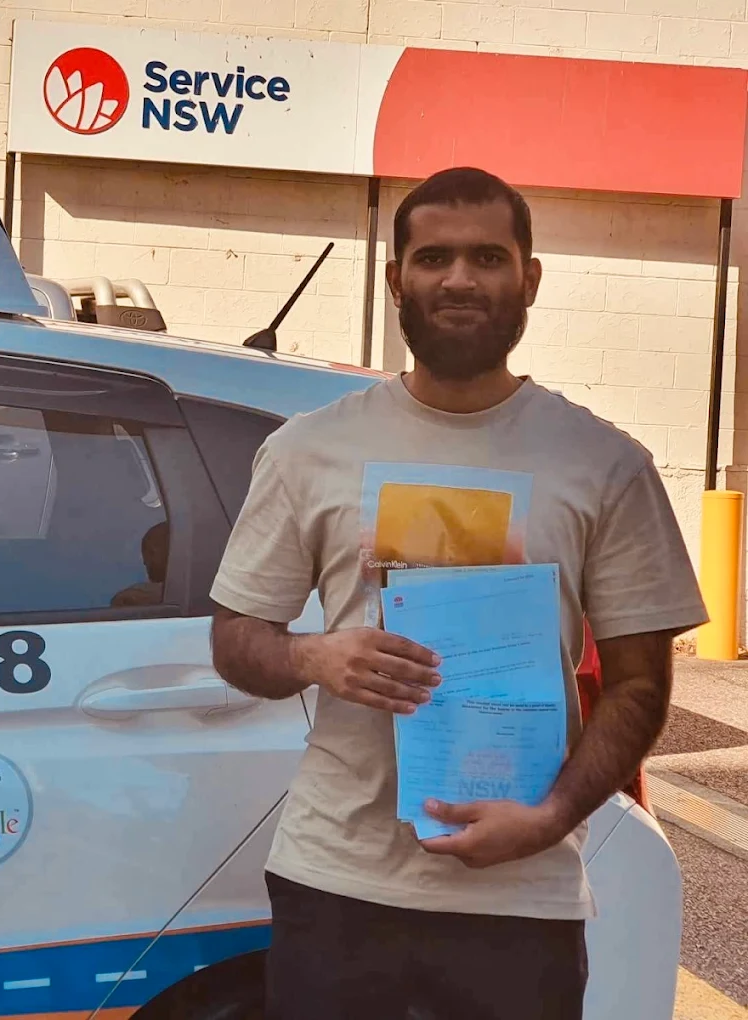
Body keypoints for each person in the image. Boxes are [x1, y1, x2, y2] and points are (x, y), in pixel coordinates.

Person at [209, 166, 709, 1020]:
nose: (461, 280)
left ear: (530, 278)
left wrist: (549, 819)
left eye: (488, 257)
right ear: (397, 278)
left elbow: (640, 686)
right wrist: (311, 654)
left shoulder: (605, 464)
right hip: (337, 883)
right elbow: (236, 639)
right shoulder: (307, 451)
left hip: (522, 895)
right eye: (434, 257)